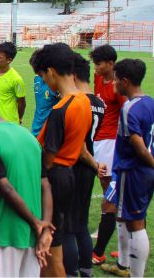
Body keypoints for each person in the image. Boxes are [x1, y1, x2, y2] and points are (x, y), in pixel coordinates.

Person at [0, 97, 54, 277]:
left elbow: (5, 188)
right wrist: (43, 226)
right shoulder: (29, 137)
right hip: (33, 237)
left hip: (4, 234)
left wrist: (36, 223)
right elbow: (45, 185)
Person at [31, 43, 92, 277]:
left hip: (55, 178)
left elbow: (49, 155)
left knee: (51, 250)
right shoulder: (84, 100)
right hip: (69, 175)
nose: (44, 81)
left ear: (51, 71)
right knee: (57, 240)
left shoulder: (61, 109)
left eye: (43, 75)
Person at [100, 59, 154, 278]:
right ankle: (123, 265)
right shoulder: (150, 101)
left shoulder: (128, 109)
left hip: (133, 171)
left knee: (135, 222)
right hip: (141, 172)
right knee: (123, 216)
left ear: (125, 81)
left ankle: (136, 275)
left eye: (115, 80)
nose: (113, 84)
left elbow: (140, 148)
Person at [63, 53, 106, 277]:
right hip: (88, 171)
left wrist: (94, 162)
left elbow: (78, 145)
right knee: (81, 221)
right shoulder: (99, 103)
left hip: (75, 165)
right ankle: (86, 270)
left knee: (68, 226)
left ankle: (70, 272)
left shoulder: (77, 102)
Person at [90, 44, 126, 265]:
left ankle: (115, 240)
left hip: (111, 142)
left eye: (100, 63)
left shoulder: (118, 86)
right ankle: (120, 238)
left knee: (111, 191)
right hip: (97, 140)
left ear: (111, 64)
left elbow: (124, 116)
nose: (97, 67)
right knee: (106, 187)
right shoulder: (97, 79)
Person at [0, 41, 26, 124]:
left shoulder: (16, 79)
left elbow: (22, 103)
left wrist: (19, 118)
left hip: (9, 122)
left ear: (9, 60)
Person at [30, 51, 60, 137]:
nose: (36, 72)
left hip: (49, 132)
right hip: (35, 129)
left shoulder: (56, 83)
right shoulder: (37, 79)